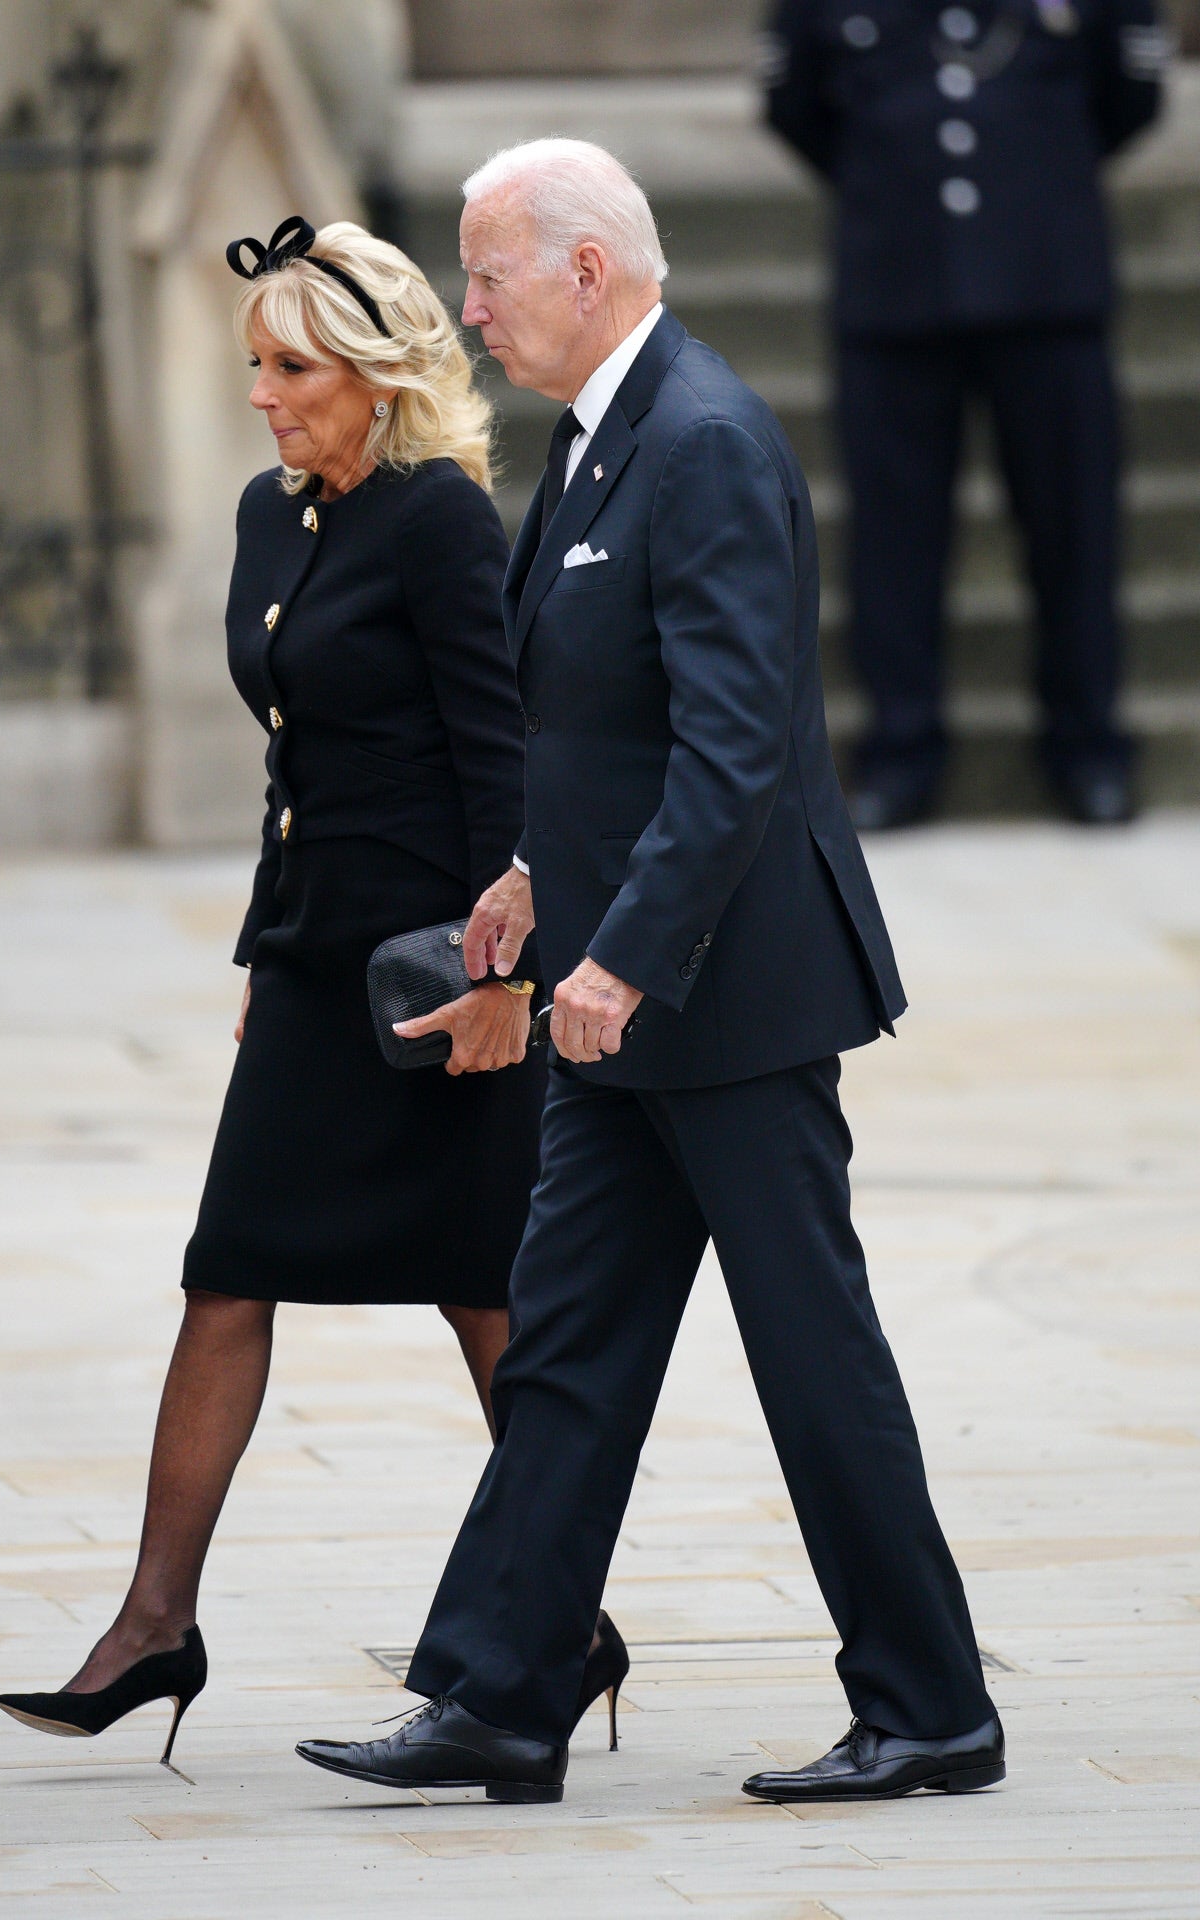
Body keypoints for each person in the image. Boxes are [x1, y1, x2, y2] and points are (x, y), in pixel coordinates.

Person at [293, 141, 1002, 1808]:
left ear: (586, 270)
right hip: (623, 998)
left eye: (486, 276)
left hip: (726, 1006)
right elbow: (615, 718)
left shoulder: (703, 441)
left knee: (814, 1358)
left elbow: (741, 747)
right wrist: (542, 882)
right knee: (568, 1353)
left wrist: (621, 953)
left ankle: (931, 1708)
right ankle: (500, 1693)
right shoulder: (604, 437)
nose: (466, 310)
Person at [0, 216, 625, 1765]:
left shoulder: (441, 522)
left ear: (375, 375)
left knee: (486, 1296)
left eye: (291, 368)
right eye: (257, 367)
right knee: (230, 1269)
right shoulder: (274, 517)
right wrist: (264, 959)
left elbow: (504, 765)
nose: (265, 396)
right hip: (309, 967)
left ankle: (557, 1622)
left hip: (440, 978)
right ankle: (154, 1626)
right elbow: (297, 760)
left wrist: (506, 983)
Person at [763, 0, 1169, 828]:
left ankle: (1089, 745)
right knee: (894, 538)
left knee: (1075, 530)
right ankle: (901, 752)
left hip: (1049, 284)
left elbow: (1130, 94)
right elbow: (794, 105)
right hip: (895, 285)